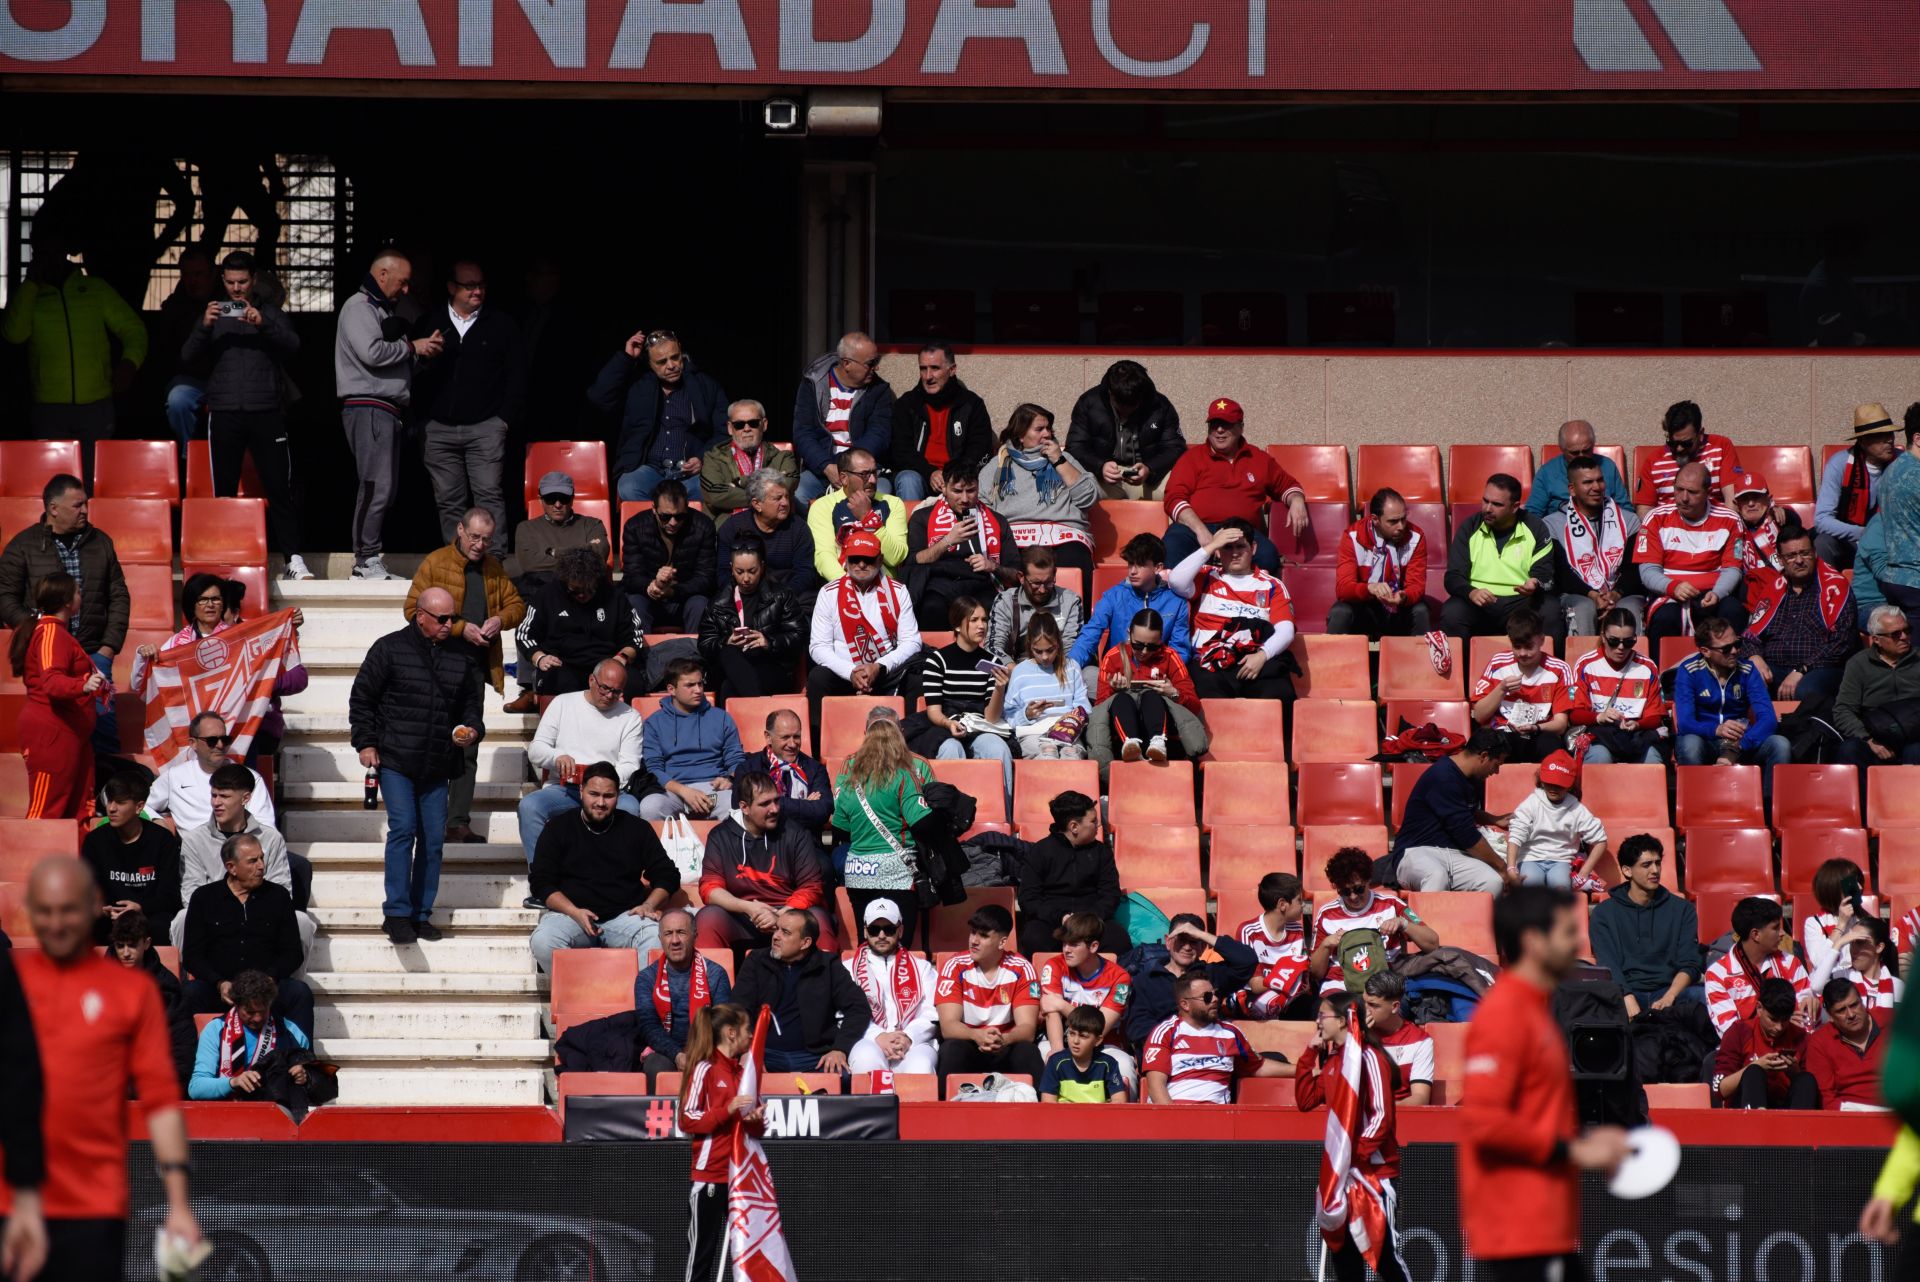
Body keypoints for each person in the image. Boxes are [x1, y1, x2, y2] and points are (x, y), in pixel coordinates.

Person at [16, 857, 198, 1279]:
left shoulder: (164, 997)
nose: (127, 953)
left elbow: (173, 1070)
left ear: (148, 944)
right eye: (120, 946)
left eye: (133, 945)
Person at [1459, 887, 1630, 1279]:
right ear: (1535, 941)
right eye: (1568, 932)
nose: (1579, 943)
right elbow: (1486, 1123)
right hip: (1521, 1230)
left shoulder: (1535, 1010)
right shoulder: (1504, 1015)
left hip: (1543, 1228)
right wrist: (1577, 1151)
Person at [349, 586, 485, 945]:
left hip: (438, 762)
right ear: (419, 615)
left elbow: (471, 705)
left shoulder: (461, 655)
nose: (448, 624)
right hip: (395, 759)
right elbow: (362, 698)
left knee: (433, 842)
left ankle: (420, 913)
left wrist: (472, 730)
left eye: (453, 618)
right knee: (403, 830)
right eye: (442, 618)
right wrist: (365, 743)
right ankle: (396, 912)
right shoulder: (389, 648)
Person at [180, 250, 308, 578]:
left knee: (280, 487)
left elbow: (294, 346)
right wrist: (205, 327)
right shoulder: (211, 313)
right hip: (224, 411)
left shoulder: (270, 313)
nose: (237, 289)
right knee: (223, 491)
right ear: (222, 281)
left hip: (266, 410)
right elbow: (186, 357)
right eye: (231, 282)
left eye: (243, 282)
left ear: (254, 281)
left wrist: (262, 323)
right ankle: (225, 557)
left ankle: (294, 559)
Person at [405, 508, 525, 843]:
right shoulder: (436, 562)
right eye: (474, 537)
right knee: (430, 740)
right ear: (460, 530)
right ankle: (424, 820)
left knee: (467, 743)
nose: (480, 544)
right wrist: (459, 628)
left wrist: (500, 619)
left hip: (473, 669)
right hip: (434, 665)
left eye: (487, 539)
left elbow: (518, 605)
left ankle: (457, 821)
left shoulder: (492, 568)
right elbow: (411, 609)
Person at [1, 238, 146, 473]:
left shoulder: (95, 289)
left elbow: (134, 330)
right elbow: (14, 334)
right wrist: (31, 283)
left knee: (92, 480)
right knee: (54, 484)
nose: (49, 257)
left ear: (65, 252)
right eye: (42, 252)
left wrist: (130, 362)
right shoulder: (28, 294)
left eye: (54, 250)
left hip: (96, 405)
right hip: (49, 408)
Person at [336, 248, 439, 581]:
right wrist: (412, 346)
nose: (406, 289)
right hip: (368, 407)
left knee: (385, 487)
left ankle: (368, 559)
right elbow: (372, 352)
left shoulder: (379, 309)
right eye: (403, 282)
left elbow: (389, 357)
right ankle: (365, 561)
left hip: (384, 409)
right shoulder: (359, 307)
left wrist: (422, 353)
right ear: (383, 275)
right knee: (374, 486)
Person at [130, 574, 310, 762]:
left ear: (223, 604)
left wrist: (289, 629)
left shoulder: (244, 639)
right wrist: (144, 656)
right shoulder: (176, 646)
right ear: (192, 604)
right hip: (195, 736)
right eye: (203, 599)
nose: (210, 604)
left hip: (240, 733)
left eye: (216, 599)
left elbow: (298, 679)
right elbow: (140, 687)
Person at [1294, 991, 1411, 1282]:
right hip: (1343, 1173)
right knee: (1343, 1255)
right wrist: (1310, 1054)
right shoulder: (1335, 1060)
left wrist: (1352, 1154)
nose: (1318, 1021)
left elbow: (1382, 1115)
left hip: (1373, 1173)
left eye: (1323, 1015)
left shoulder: (1369, 1058)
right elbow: (1306, 1100)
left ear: (1346, 1021)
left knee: (1384, 1256)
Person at [410, 257, 524, 551]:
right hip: (438, 429)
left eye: (481, 285)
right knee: (448, 500)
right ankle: (455, 560)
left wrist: (503, 419)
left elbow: (517, 375)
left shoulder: (501, 324)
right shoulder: (429, 322)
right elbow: (409, 373)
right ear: (451, 287)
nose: (477, 291)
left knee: (488, 494)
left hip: (486, 426)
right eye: (469, 286)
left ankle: (494, 559)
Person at [0, 475, 131, 719]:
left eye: (86, 504)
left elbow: (119, 595)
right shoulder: (22, 546)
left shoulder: (101, 542)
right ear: (53, 508)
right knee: (56, 726)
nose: (85, 511)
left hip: (94, 653)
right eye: (77, 505)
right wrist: (37, 632)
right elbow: (5, 597)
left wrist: (108, 648)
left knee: (103, 728)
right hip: (47, 655)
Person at [528, 762, 678, 971]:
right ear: (581, 791)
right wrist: (574, 911)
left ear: (618, 796)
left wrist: (649, 905)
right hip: (571, 916)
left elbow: (668, 875)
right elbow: (541, 882)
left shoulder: (637, 829)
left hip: (624, 917)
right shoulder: (558, 827)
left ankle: (641, 1001)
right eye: (594, 794)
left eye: (608, 796)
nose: (600, 802)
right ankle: (580, 997)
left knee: (655, 938)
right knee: (543, 941)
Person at [180, 834, 314, 1037]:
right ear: (231, 867)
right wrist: (219, 982)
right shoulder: (204, 898)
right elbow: (192, 955)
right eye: (252, 861)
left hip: (267, 989)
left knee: (299, 993)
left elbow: (292, 952)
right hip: (221, 989)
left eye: (261, 858)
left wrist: (270, 978)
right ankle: (187, 1065)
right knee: (189, 993)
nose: (261, 866)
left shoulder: (278, 897)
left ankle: (302, 1063)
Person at [829, 709, 942, 946]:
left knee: (866, 943)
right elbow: (922, 822)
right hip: (897, 870)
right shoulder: (904, 775)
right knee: (899, 944)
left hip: (859, 871)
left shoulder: (850, 780)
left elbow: (839, 829)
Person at [518, 659, 647, 866]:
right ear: (591, 680)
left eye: (616, 692)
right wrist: (557, 757)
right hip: (564, 789)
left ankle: (616, 879)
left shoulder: (629, 716)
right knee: (530, 806)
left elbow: (630, 764)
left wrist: (600, 782)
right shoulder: (563, 703)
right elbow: (536, 749)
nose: (609, 695)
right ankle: (542, 883)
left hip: (608, 792)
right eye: (604, 688)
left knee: (630, 808)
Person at [176, 763, 310, 952]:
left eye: (224, 796)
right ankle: (190, 980)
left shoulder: (271, 838)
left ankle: (286, 980)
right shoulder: (194, 839)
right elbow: (191, 893)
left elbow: (282, 890)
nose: (216, 803)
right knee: (182, 919)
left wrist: (248, 913)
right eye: (213, 795)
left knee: (301, 921)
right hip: (213, 920)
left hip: (261, 919)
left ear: (245, 798)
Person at [693, 770, 834, 950]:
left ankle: (827, 976)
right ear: (744, 807)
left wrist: (779, 914)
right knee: (708, 919)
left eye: (776, 800)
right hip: (742, 915)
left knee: (819, 920)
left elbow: (811, 887)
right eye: (765, 804)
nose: (774, 809)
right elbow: (710, 888)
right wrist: (749, 908)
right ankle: (713, 978)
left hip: (789, 912)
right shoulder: (720, 836)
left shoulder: (796, 833)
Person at [1161, 397, 1303, 574]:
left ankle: (1252, 599)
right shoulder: (1191, 458)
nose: (1219, 430)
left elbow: (1288, 486)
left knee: (1268, 556)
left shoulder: (1258, 458)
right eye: (1214, 424)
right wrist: (1201, 531)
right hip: (1195, 528)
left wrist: (1297, 500)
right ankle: (1173, 601)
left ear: (1241, 427)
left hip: (1241, 531)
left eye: (1226, 424)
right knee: (1171, 548)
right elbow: (1173, 498)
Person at [677, 1003, 764, 1282]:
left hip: (741, 1178)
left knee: (750, 1251)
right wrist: (726, 1110)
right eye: (746, 1030)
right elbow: (687, 1119)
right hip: (711, 1176)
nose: (750, 1036)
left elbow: (757, 1129)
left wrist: (756, 1119)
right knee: (703, 1252)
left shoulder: (744, 1074)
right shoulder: (705, 1069)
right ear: (730, 1033)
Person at [594, 327, 727, 505]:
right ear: (649, 363)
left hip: (690, 474)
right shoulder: (638, 385)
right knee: (629, 486)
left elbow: (725, 430)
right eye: (661, 362)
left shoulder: (704, 385)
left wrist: (703, 458)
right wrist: (625, 359)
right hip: (650, 470)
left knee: (711, 488)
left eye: (675, 357)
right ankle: (652, 530)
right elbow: (599, 396)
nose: (671, 365)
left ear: (680, 349)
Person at [1169, 519, 1298, 700]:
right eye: (1227, 548)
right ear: (1219, 551)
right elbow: (1176, 581)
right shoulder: (1206, 576)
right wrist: (1211, 545)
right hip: (1209, 663)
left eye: (1240, 547)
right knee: (1203, 693)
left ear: (1253, 548)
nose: (1235, 554)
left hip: (1254, 662)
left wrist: (1262, 656)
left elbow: (1286, 631)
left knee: (1280, 693)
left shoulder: (1272, 585)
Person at [730, 908, 870, 1073]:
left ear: (805, 943)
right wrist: (746, 1049)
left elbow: (858, 1008)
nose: (776, 936)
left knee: (844, 1077)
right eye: (776, 929)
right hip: (765, 1053)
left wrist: (840, 1049)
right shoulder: (756, 961)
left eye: (785, 932)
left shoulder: (828, 965)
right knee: (735, 1075)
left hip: (815, 1056)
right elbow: (738, 1008)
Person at [977, 403, 1100, 586]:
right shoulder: (998, 464)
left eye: (1048, 429)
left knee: (1077, 560)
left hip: (1062, 534)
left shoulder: (1065, 458)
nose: (1047, 434)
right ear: (1021, 434)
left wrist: (1059, 461)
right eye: (1039, 429)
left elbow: (1089, 498)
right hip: (1015, 538)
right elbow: (981, 508)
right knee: (998, 565)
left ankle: (1077, 614)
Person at [804, 529, 923, 718]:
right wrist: (850, 672)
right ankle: (817, 746)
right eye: (854, 559)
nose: (861, 564)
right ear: (845, 560)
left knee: (917, 678)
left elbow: (912, 642)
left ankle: (910, 738)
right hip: (844, 674)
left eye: (868, 559)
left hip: (885, 673)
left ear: (880, 559)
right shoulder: (828, 593)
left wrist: (879, 666)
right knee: (818, 677)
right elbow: (818, 646)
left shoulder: (898, 592)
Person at [903, 597, 1014, 796]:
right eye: (974, 620)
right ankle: (951, 813)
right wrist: (948, 724)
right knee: (951, 749)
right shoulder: (937, 660)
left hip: (979, 726)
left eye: (985, 620)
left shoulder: (993, 662)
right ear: (957, 624)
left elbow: (991, 718)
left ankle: (1003, 812)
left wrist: (999, 689)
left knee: (998, 749)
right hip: (944, 725)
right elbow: (934, 711)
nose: (982, 626)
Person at [9, 574, 99, 820]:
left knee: (79, 810)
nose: (81, 595)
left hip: (71, 733)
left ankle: (72, 860)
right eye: (78, 591)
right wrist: (83, 685)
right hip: (52, 734)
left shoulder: (57, 632)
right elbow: (51, 681)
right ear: (67, 600)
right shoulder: (50, 632)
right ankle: (32, 860)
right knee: (46, 811)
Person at [1741, 520, 1858, 703]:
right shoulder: (1773, 590)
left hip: (1820, 669)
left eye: (1805, 553)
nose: (1799, 560)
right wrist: (1754, 656)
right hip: (1774, 668)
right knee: (1739, 681)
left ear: (1814, 553)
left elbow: (1842, 643)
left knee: (1807, 690)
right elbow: (1750, 635)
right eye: (1791, 556)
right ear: (1780, 560)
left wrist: (1802, 669)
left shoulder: (1836, 587)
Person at [1673, 616, 1790, 798]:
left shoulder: (1748, 670)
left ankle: (1769, 814)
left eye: (1737, 644)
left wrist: (1737, 747)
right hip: (1706, 739)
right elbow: (1685, 723)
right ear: (1706, 651)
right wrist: (1717, 729)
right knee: (1689, 744)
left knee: (1780, 744)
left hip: (1741, 741)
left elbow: (1768, 719)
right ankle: (1694, 808)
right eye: (1726, 649)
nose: (1735, 651)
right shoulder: (1689, 671)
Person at [1588, 834, 1703, 1017]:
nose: (1655, 870)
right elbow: (1608, 963)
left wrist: (1670, 996)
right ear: (1627, 871)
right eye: (1646, 864)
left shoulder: (1683, 910)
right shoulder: (1604, 913)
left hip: (1669, 991)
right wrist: (1626, 996)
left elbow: (1690, 962)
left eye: (1657, 863)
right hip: (1625, 992)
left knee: (1703, 997)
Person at [1389, 728, 1515, 894]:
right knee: (1436, 875)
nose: (1496, 771)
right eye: (1497, 764)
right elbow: (1465, 833)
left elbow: (1463, 811)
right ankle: (1424, 921)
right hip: (1417, 851)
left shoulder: (1474, 776)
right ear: (1484, 756)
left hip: (1455, 854)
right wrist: (1503, 867)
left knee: (1492, 882)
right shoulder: (1443, 777)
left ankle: (1468, 921)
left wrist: (1494, 819)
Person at [1637, 461, 1747, 649]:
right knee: (1666, 618)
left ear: (1708, 492)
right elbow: (1647, 571)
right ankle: (1663, 675)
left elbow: (1732, 569)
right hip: (1669, 593)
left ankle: (1734, 672)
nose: (1684, 498)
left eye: (1693, 492)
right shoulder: (1655, 518)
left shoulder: (1729, 519)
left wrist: (1718, 593)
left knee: (1733, 610)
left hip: (1713, 593)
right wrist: (1672, 587)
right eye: (1679, 489)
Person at [1442, 474, 1563, 641]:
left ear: (1514, 507)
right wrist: (1471, 592)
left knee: (1550, 609)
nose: (1487, 508)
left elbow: (1545, 575)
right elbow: (1453, 576)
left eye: (1496, 504)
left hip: (1522, 602)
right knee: (1452, 611)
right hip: (1479, 602)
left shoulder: (1536, 528)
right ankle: (1460, 667)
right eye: (1485, 501)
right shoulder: (1469, 527)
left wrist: (1535, 583)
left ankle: (1550, 666)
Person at [934, 903, 1045, 1084]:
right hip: (968, 1041)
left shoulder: (1023, 968)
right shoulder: (954, 966)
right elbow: (948, 1027)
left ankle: (1041, 1109)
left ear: (1002, 942)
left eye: (983, 935)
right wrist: (977, 1036)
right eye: (972, 932)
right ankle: (944, 1109)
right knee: (952, 1050)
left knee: (1028, 1052)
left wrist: (1004, 1039)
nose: (974, 941)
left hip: (1006, 1043)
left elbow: (1027, 1029)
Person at [516, 547, 644, 703]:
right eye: (575, 591)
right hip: (563, 664)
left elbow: (634, 637)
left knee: (634, 683)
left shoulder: (614, 596)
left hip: (605, 663)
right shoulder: (547, 595)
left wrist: (621, 658)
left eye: (589, 590)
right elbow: (524, 634)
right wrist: (540, 657)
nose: (583, 595)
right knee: (562, 684)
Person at [1142, 971, 1291, 1104]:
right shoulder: (1165, 1032)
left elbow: (1259, 1067)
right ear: (1185, 1004)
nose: (1214, 999)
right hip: (1175, 1117)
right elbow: (1156, 1088)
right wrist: (1177, 1122)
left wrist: (1305, 1070)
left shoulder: (1230, 1032)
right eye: (1207, 997)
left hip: (1217, 1120)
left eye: (1215, 994)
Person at [1310, 848, 1440, 994]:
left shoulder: (1392, 904)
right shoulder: (1326, 914)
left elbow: (1433, 944)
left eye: (1359, 889)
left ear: (1368, 881)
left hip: (1385, 983)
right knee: (1338, 1013)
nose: (1353, 897)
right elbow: (1315, 974)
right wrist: (1325, 946)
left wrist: (1403, 924)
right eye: (1345, 892)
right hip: (1341, 986)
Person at [1121, 914, 1260, 1048]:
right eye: (1181, 939)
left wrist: (1203, 935)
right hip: (1166, 1056)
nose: (1187, 947)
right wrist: (1185, 1045)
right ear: (1168, 942)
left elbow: (1247, 961)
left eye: (1193, 941)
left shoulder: (1212, 974)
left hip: (1209, 1053)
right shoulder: (1144, 981)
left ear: (1203, 947)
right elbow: (1138, 1030)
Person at [1015, 792, 1127, 956]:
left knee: (1118, 940)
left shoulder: (1102, 853)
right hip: (1052, 921)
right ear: (1074, 826)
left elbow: (1110, 894)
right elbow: (1029, 898)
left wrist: (1088, 918)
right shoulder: (1040, 851)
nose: (1098, 825)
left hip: (1092, 919)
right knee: (1034, 939)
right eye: (1093, 821)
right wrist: (1061, 917)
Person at [792, 332, 896, 505]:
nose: (876, 368)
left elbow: (879, 434)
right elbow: (802, 433)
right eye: (871, 363)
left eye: (876, 361)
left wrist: (849, 470)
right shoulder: (813, 383)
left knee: (881, 494)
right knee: (797, 494)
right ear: (847, 363)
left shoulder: (879, 390)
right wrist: (826, 466)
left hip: (863, 471)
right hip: (822, 470)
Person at [907, 467, 1018, 628]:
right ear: (944, 488)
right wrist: (947, 541)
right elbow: (913, 561)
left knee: (995, 608)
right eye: (957, 491)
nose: (965, 499)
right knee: (930, 608)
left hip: (982, 585)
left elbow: (1016, 574)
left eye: (971, 490)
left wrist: (993, 566)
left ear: (979, 487)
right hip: (938, 585)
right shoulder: (922, 517)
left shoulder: (997, 521)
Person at [1545, 454, 1644, 635]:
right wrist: (1592, 595)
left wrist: (1615, 595)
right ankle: (1582, 662)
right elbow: (1560, 573)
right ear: (1572, 489)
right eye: (1588, 482)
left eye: (1600, 480)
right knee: (1583, 608)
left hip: (1622, 593)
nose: (1596, 487)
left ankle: (1637, 663)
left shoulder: (1629, 521)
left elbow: (1634, 568)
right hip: (1576, 594)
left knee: (1629, 608)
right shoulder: (1553, 524)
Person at [1556, 608, 1668, 765]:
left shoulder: (1647, 667)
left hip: (1637, 736)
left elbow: (1655, 717)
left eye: (1628, 642)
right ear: (1603, 637)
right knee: (1599, 758)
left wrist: (1637, 724)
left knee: (1653, 760)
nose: (1621, 647)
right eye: (1614, 641)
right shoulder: (1586, 665)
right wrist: (1599, 717)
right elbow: (1575, 715)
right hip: (1600, 735)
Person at [1071, 533, 1192, 679]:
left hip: (1157, 678)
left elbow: (1179, 649)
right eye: (1130, 564)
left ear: (1158, 567)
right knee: (1089, 675)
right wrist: (1071, 665)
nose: (1132, 571)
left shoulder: (1176, 602)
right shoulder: (1113, 596)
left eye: (1140, 564)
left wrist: (1162, 675)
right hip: (1117, 675)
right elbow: (1091, 633)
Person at [843, 896, 939, 1078]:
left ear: (900, 930)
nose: (881, 936)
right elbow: (843, 1014)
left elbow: (932, 1013)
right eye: (874, 929)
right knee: (865, 1059)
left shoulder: (922, 967)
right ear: (865, 931)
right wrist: (878, 1036)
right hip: (867, 1039)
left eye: (888, 929)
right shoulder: (848, 969)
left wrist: (908, 1037)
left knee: (920, 1066)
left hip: (914, 1043)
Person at [505, 471, 611, 636]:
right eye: (550, 498)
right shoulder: (526, 528)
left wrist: (555, 552)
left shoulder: (592, 524)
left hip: (585, 597)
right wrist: (584, 551)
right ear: (541, 499)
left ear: (572, 498)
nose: (558, 504)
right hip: (543, 598)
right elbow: (530, 563)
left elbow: (599, 555)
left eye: (564, 498)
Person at [698, 540, 805, 703]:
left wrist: (768, 642)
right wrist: (728, 641)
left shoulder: (782, 596)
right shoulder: (718, 603)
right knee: (728, 653)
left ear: (761, 567)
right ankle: (758, 708)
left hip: (771, 666)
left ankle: (743, 717)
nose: (746, 578)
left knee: (729, 687)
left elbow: (799, 636)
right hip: (731, 665)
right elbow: (705, 644)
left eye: (752, 571)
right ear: (731, 568)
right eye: (739, 571)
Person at [633, 909, 733, 1083]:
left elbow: (722, 1023)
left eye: (681, 932)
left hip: (707, 1048)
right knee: (655, 1065)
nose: (675, 941)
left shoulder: (716, 974)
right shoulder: (646, 978)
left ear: (695, 935)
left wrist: (699, 1054)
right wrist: (677, 1054)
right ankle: (662, 1111)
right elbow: (648, 1026)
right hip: (666, 1051)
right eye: (668, 934)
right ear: (660, 939)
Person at [639, 659, 745, 821]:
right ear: (671, 689)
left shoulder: (721, 717)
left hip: (713, 787)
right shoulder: (654, 723)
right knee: (650, 808)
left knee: (737, 806)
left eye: (700, 684)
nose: (698, 690)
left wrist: (730, 779)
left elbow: (735, 758)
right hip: (673, 790)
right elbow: (654, 768)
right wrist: (683, 791)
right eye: (690, 685)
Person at [1094, 608, 1203, 765]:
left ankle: (1157, 742)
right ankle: (1131, 744)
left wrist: (1173, 693)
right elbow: (1100, 705)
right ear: (1129, 634)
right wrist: (1114, 690)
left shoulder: (1170, 657)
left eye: (1152, 647)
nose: (1144, 652)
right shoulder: (1113, 657)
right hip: (1121, 736)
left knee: (1151, 696)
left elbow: (1194, 706)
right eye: (1138, 645)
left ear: (1160, 640)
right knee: (1121, 698)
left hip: (1166, 736)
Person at [1065, 359, 1185, 500]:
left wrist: (1150, 469)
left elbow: (1175, 447)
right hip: (1103, 476)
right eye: (1120, 405)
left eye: (1132, 405)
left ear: (1142, 396)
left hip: (1146, 475)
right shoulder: (1089, 402)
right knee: (1076, 491)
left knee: (1175, 494)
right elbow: (1075, 446)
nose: (1126, 411)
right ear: (1110, 393)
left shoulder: (1160, 406)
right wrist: (1100, 466)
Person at [84, 773, 183, 944]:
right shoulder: (95, 840)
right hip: (109, 915)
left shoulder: (162, 841)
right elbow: (88, 889)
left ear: (139, 807)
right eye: (110, 801)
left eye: (120, 802)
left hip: (149, 914)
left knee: (162, 925)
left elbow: (170, 896)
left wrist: (140, 908)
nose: (111, 808)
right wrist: (103, 908)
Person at [890, 342, 994, 501]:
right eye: (923, 369)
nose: (928, 376)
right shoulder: (907, 404)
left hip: (960, 479)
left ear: (952, 370)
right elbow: (900, 450)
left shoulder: (971, 404)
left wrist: (953, 475)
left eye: (935, 368)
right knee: (908, 479)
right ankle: (913, 526)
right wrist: (929, 472)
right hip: (921, 476)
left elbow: (980, 448)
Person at [1037, 913, 1136, 1081]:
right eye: (1064, 943)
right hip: (1063, 1040)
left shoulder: (1120, 978)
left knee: (1124, 1067)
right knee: (1041, 1055)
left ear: (1093, 946)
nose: (1066, 949)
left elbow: (1099, 1028)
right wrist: (1059, 1052)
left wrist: (1062, 1005)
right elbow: (1051, 1012)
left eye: (1074, 944)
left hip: (1104, 1045)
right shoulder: (1054, 965)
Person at [1468, 608, 1572, 763]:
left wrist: (1536, 728)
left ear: (1542, 640)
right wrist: (1501, 689)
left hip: (1541, 732)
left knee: (1552, 748)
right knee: (1488, 750)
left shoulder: (1560, 669)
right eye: (1517, 646)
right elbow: (1480, 716)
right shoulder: (1498, 663)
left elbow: (1561, 724)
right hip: (1503, 731)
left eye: (1529, 646)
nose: (1523, 653)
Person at [1704, 896, 1816, 1036]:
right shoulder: (1717, 975)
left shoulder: (1790, 962)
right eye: (1776, 928)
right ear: (1756, 935)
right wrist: (1778, 1026)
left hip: (1792, 1046)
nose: (1782, 934)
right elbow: (1731, 1033)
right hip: (1747, 1055)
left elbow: (1805, 1020)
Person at [147, 710, 274, 833]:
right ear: (193, 743)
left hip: (238, 849)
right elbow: (142, 804)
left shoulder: (250, 778)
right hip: (194, 852)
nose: (220, 745)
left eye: (225, 740)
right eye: (212, 741)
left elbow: (265, 827)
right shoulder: (174, 777)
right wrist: (156, 819)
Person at [1330, 487, 1433, 638]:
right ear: (1375, 519)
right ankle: (1334, 661)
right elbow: (1343, 588)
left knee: (1421, 611)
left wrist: (1404, 596)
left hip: (1399, 608)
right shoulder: (1352, 537)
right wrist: (1369, 588)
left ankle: (1421, 660)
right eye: (1393, 521)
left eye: (1403, 519)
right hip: (1366, 609)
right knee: (1340, 612)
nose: (1401, 526)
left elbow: (1417, 585)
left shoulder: (1415, 537)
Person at [621, 479, 718, 632]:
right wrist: (652, 586)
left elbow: (706, 578)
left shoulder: (703, 527)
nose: (673, 522)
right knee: (634, 602)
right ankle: (640, 653)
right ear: (654, 509)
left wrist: (674, 591)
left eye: (679, 516)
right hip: (648, 597)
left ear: (687, 508)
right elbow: (631, 576)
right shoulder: (635, 527)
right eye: (665, 517)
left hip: (685, 597)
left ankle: (696, 653)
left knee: (700, 603)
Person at [805, 447, 911, 583]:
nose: (872, 480)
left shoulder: (892, 503)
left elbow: (895, 557)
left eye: (874, 472)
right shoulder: (822, 507)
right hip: (842, 587)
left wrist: (868, 518)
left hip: (883, 587)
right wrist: (849, 586)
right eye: (864, 474)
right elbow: (824, 557)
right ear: (844, 478)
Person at [1505, 752, 1608, 891]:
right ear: (1541, 780)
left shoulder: (1577, 809)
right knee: (1531, 888)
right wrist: (1511, 867)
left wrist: (1583, 873)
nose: (1553, 788)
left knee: (1561, 889)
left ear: (1570, 785)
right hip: (1530, 857)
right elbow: (1516, 834)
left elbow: (1600, 840)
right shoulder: (1532, 803)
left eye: (1560, 785)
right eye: (1549, 783)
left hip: (1561, 860)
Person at [1712, 975, 1817, 1109]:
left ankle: (1800, 1129)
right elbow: (1720, 1090)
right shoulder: (1739, 1032)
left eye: (1785, 1020)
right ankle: (1757, 1124)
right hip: (1745, 1107)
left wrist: (1795, 1072)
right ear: (1759, 1008)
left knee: (1806, 1080)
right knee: (1754, 1072)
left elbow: (1813, 1088)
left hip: (1785, 1107)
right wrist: (1756, 1066)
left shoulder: (1802, 1037)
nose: (1779, 1027)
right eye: (1773, 1019)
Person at [1815, 404, 1900, 570]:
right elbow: (1822, 520)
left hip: (1892, 542)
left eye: (1890, 433)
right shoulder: (1840, 464)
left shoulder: (1902, 463)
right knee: (1823, 543)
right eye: (1881, 435)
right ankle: (1825, 591)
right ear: (1862, 441)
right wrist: (1865, 532)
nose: (1889, 440)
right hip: (1851, 542)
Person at [715, 469, 819, 605]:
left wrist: (780, 598)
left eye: (787, 497)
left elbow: (805, 573)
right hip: (743, 597)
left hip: (787, 599)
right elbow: (723, 573)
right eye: (778, 498)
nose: (785, 503)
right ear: (757, 504)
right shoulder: (733, 528)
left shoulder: (798, 528)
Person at [1834, 606, 1920, 768]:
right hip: (1876, 734)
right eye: (1895, 634)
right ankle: (1860, 793)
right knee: (1850, 749)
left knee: (1916, 751)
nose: (1904, 637)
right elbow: (1843, 710)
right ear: (1876, 639)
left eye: (1907, 631)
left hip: (1915, 735)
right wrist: (1868, 740)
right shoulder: (1858, 664)